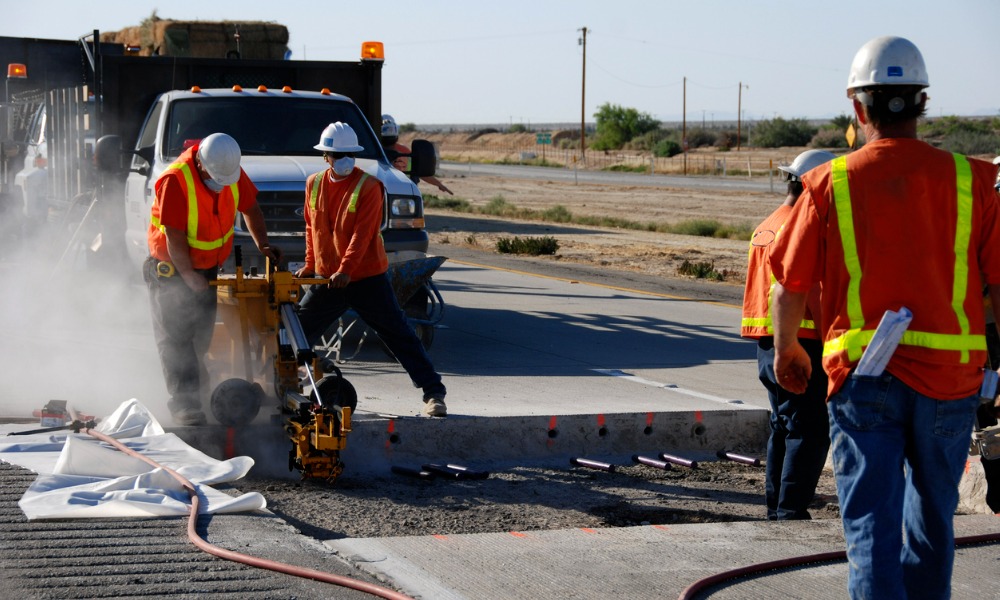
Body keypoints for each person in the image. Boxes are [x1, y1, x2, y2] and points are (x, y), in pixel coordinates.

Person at [769, 36, 1000, 599]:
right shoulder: (973, 181)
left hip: (865, 381)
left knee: (872, 530)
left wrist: (787, 353)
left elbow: (788, 287)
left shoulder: (829, 183)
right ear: (921, 102)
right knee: (932, 527)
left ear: (857, 107)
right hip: (951, 381)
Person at [294, 122, 448, 417]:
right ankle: (281, 384)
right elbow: (312, 228)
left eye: (348, 153)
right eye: (337, 155)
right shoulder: (313, 183)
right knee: (295, 334)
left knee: (398, 334)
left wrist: (346, 269)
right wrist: (311, 265)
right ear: (325, 156)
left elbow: (362, 235)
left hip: (366, 278)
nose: (344, 160)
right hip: (328, 279)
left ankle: (434, 393)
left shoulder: (369, 186)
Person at [144, 132, 278, 426]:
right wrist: (188, 274)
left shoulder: (228, 169)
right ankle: (184, 404)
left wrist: (263, 244)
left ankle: (198, 393)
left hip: (205, 269)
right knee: (176, 338)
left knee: (200, 336)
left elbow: (251, 208)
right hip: (171, 269)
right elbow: (174, 235)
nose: (221, 185)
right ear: (202, 165)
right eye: (217, 178)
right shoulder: (175, 181)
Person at [741, 149, 834, 520]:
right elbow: (808, 290)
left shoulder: (768, 224)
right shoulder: (801, 227)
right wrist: (833, 339)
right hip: (803, 343)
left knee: (783, 426)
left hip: (770, 344)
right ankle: (791, 511)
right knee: (810, 430)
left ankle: (777, 508)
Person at [380, 113, 453, 195]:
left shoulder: (403, 152)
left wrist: (438, 184)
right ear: (396, 135)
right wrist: (438, 184)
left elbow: (419, 171)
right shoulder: (404, 155)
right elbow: (421, 172)